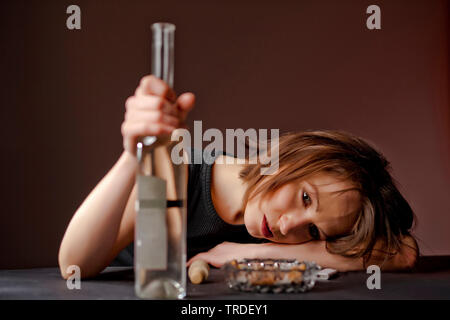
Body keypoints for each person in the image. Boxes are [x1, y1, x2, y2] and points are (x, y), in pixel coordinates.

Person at [58, 75, 418, 279]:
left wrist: (250, 252)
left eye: (313, 232)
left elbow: (402, 252)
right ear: (290, 155)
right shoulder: (180, 172)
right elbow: (73, 265)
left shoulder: (268, 237)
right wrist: (132, 156)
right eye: (306, 198)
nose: (288, 227)